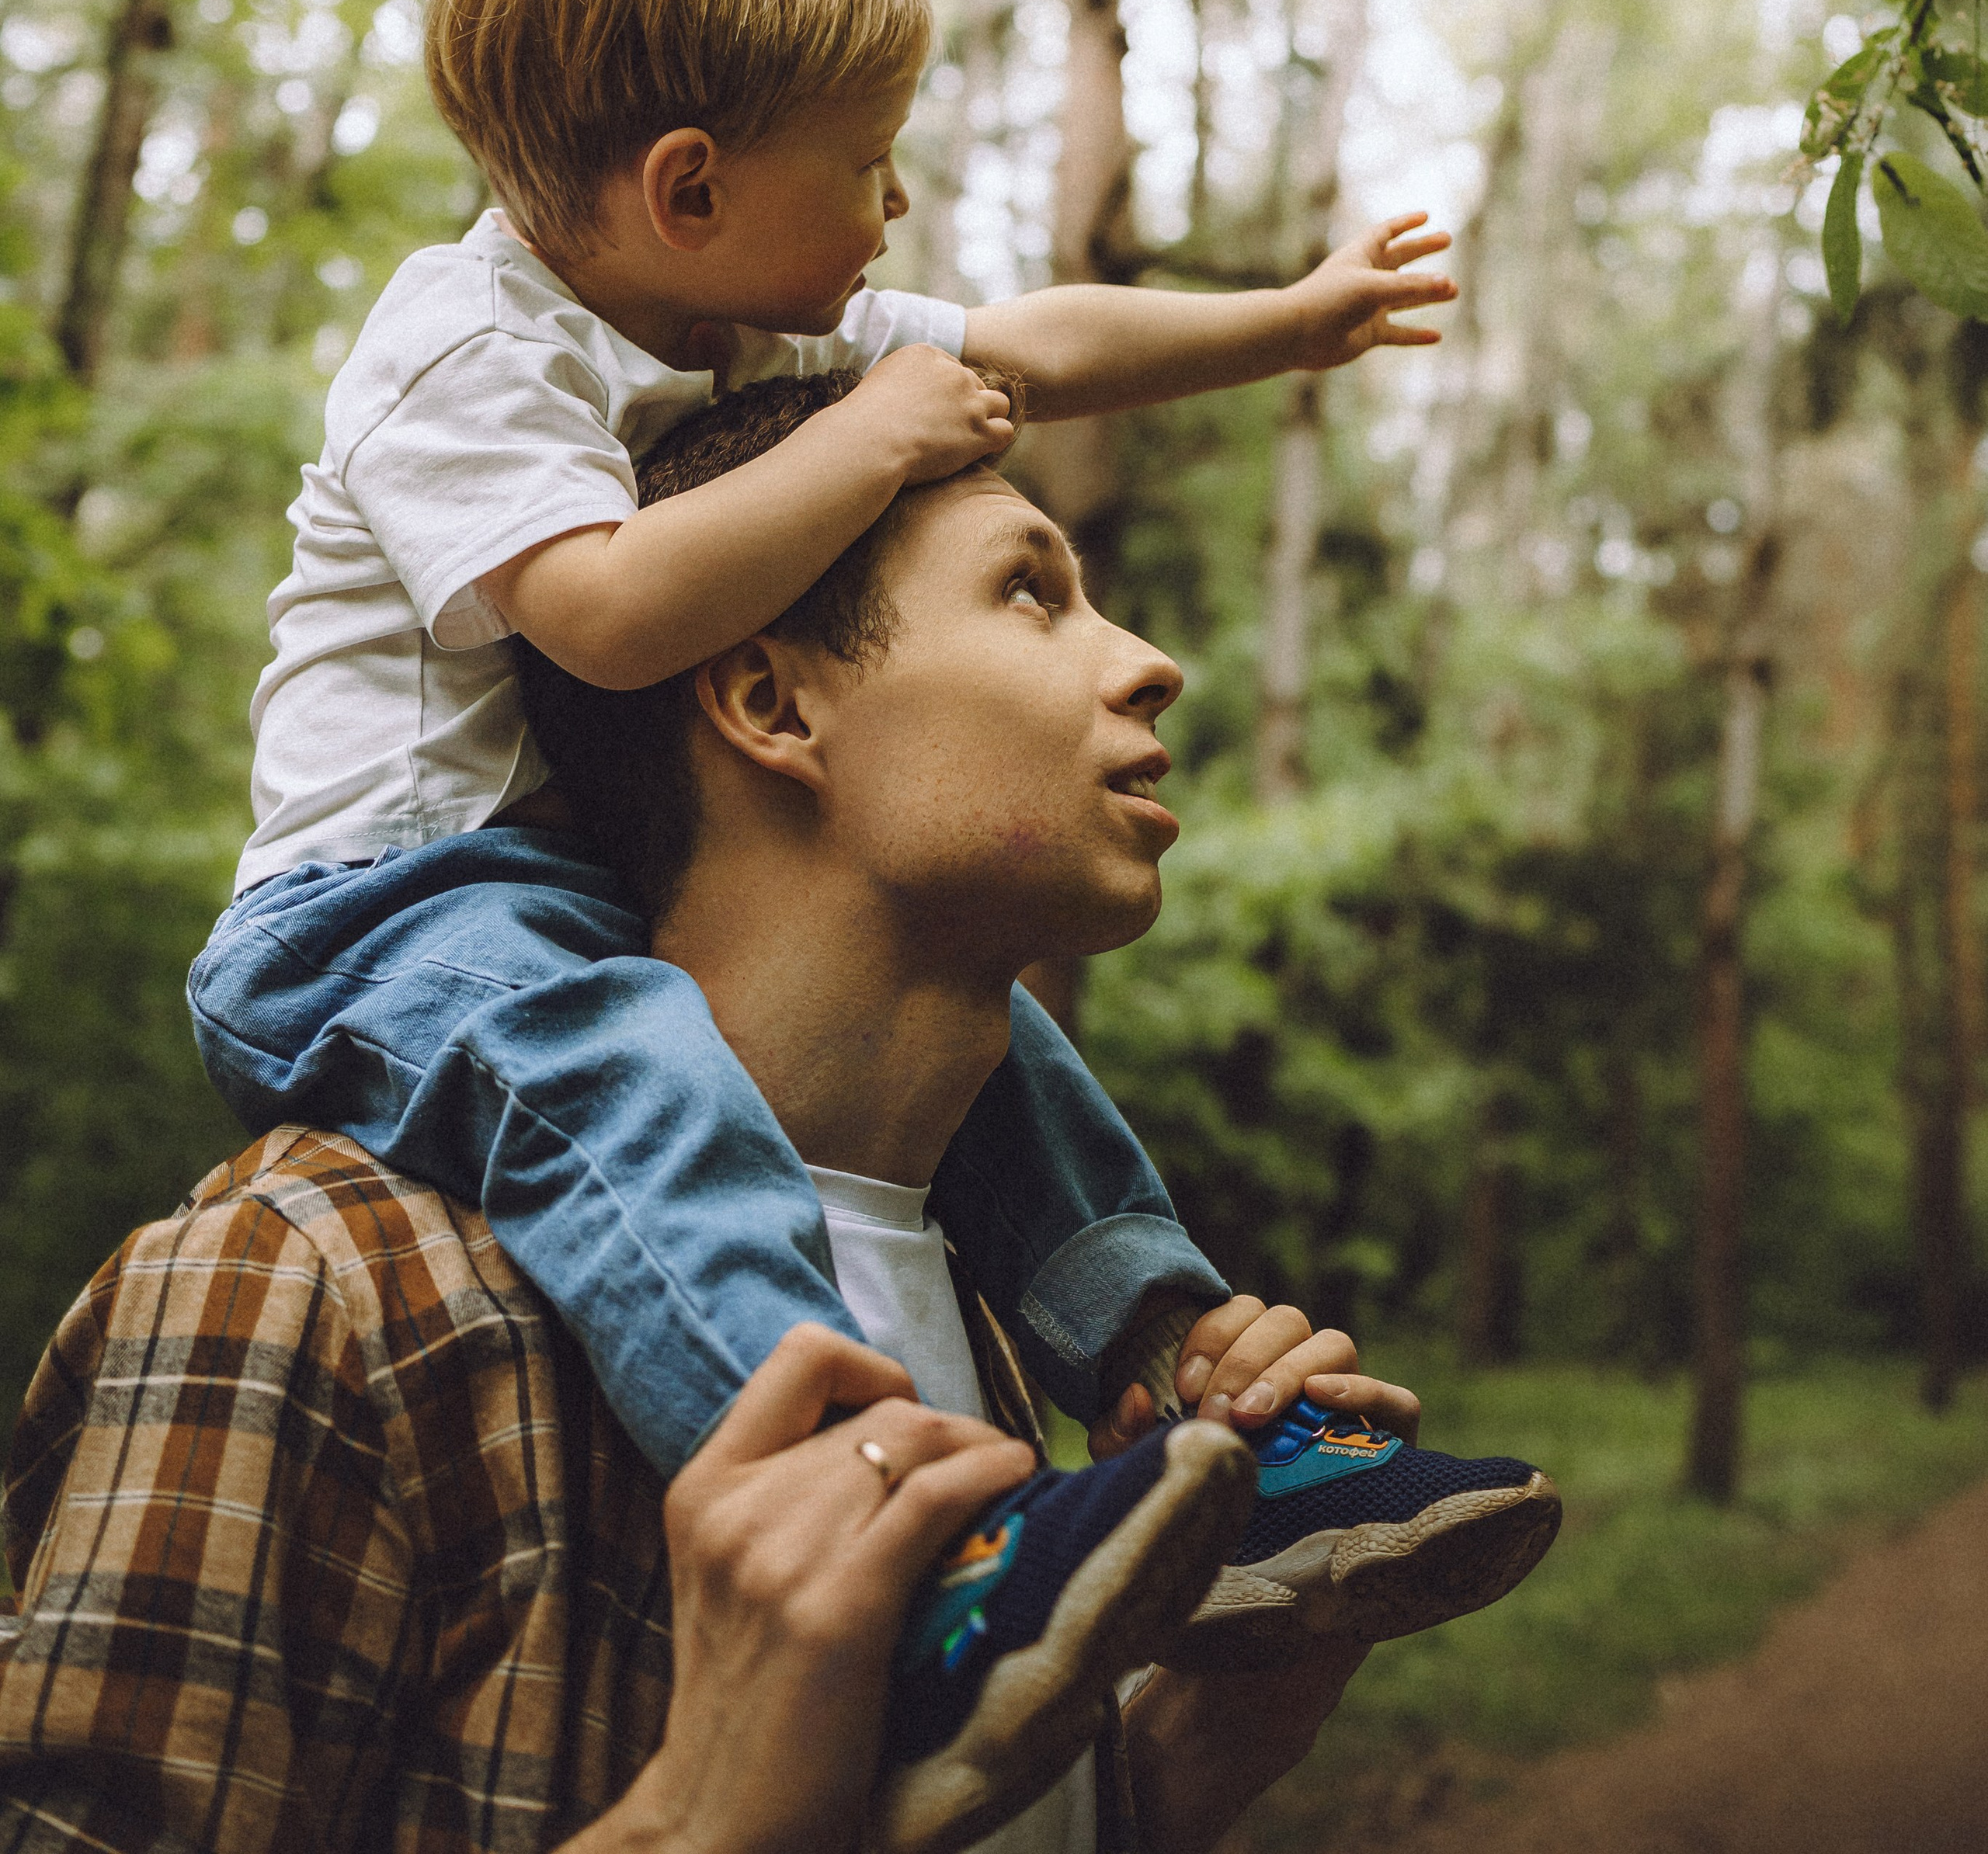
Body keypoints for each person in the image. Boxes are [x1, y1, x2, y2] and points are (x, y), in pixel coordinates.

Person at [185, 0, 1463, 1779]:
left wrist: (1288, 326)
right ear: (688, 185)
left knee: (1008, 1062)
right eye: (864, 166)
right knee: (612, 1067)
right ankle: (896, 1530)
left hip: (556, 880)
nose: (888, 210)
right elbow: (608, 617)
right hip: (381, 905)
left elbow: (1031, 347)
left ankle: (1196, 1409)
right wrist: (868, 433)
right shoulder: (457, 350)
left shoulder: (736, 316)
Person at [1, 381, 1554, 1854]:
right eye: (1032, 589)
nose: (1148, 660)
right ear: (767, 700)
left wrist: (1206, 1729)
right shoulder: (314, 1288)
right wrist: (700, 1820)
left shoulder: (996, 1323)